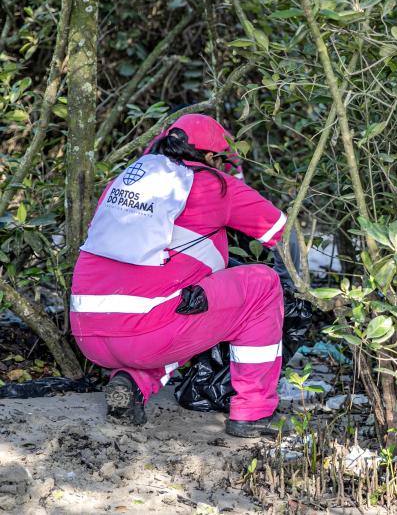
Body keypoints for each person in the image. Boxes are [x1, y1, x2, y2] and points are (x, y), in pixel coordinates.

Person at [70, 113, 289, 437]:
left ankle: (131, 384)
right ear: (213, 157)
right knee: (263, 285)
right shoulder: (214, 184)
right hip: (146, 335)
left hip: (87, 332)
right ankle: (253, 411)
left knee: (176, 303)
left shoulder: (126, 181)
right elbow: (281, 232)